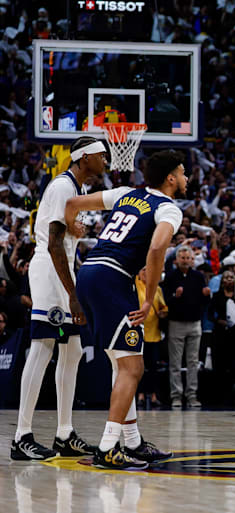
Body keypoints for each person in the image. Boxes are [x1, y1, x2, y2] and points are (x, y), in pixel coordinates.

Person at [67, 149, 186, 469]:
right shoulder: (168, 208)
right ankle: (107, 448)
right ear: (170, 178)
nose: (186, 178)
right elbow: (158, 247)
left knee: (123, 364)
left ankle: (133, 442)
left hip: (89, 272)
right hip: (113, 279)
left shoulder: (125, 193)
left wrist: (72, 227)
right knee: (132, 369)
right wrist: (149, 298)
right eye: (182, 173)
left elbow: (74, 203)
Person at [11, 137, 102, 461]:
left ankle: (64, 434)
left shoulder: (75, 189)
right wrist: (73, 294)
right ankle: (21, 437)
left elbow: (61, 236)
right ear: (84, 157)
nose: (105, 160)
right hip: (50, 271)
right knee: (42, 347)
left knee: (73, 349)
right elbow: (52, 244)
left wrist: (74, 230)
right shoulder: (63, 186)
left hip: (60, 270)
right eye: (101, 155)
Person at [161, 245, 211, 409]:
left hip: (195, 323)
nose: (185, 260)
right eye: (182, 258)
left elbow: (204, 303)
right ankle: (176, 396)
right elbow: (165, 300)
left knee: (193, 362)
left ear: (192, 260)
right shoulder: (170, 276)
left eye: (188, 258)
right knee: (175, 363)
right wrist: (175, 296)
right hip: (176, 323)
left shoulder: (198, 276)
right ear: (176, 260)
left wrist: (206, 295)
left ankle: (192, 395)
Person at [136, 266, 169, 409]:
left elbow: (164, 307)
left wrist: (163, 312)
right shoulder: (134, 286)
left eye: (148, 270)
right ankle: (140, 394)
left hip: (154, 333)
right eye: (143, 270)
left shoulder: (157, 288)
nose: (145, 272)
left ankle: (154, 394)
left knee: (153, 367)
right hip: (138, 333)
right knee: (139, 367)